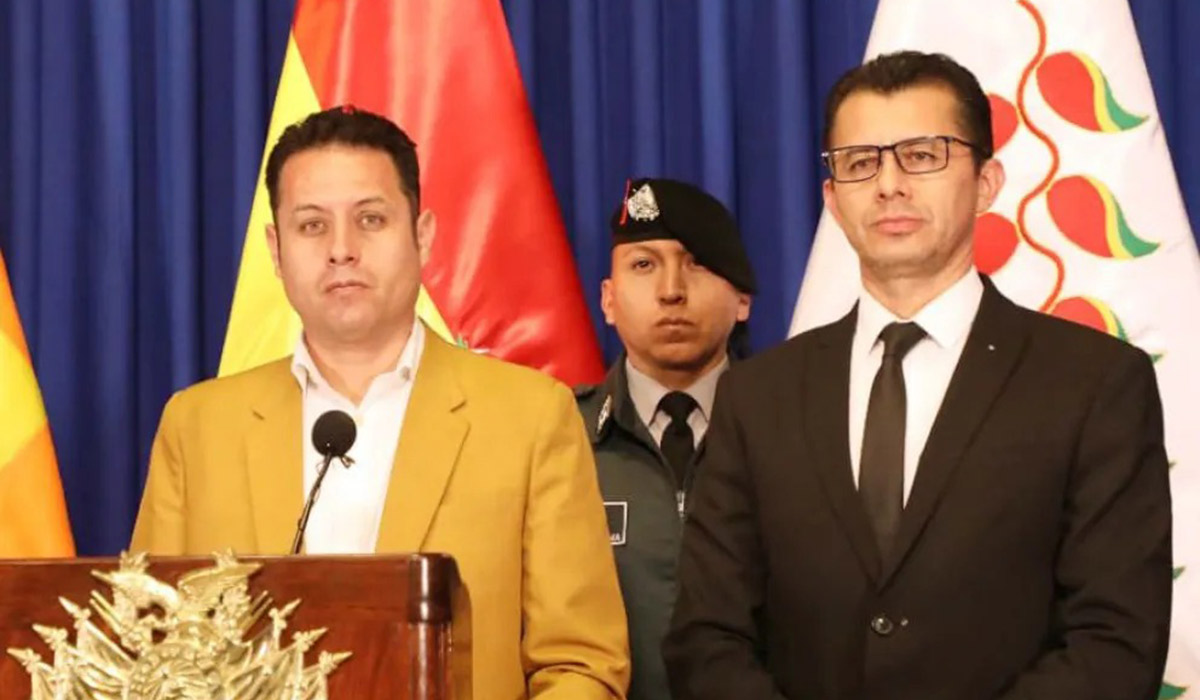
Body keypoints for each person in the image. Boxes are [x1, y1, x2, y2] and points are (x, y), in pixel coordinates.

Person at [664, 51, 1172, 700]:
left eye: (922, 155)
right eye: (860, 163)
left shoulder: (1095, 384)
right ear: (832, 198)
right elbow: (707, 637)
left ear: (986, 182)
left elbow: (1114, 643)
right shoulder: (757, 395)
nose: (889, 184)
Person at [131, 106, 629, 699]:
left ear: (422, 236)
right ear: (275, 250)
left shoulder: (530, 416)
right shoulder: (198, 427)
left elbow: (580, 664)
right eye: (312, 225)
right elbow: (151, 654)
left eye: (370, 219)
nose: (342, 249)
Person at [575, 178, 754, 700]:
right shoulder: (558, 440)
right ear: (608, 300)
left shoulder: (796, 435)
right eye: (643, 265)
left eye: (697, 264)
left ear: (743, 298)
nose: (671, 290)